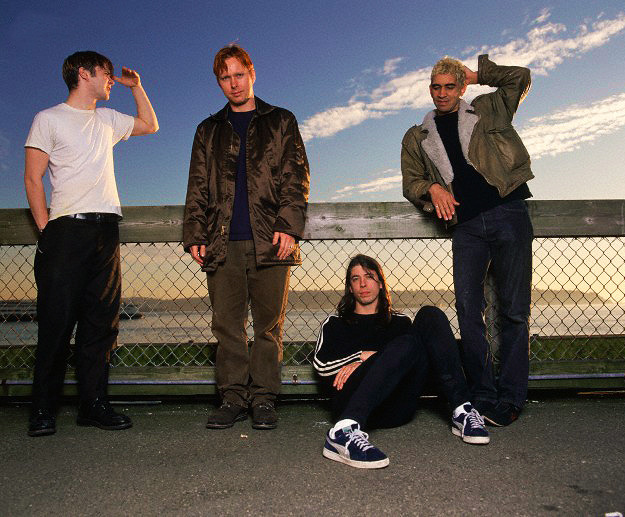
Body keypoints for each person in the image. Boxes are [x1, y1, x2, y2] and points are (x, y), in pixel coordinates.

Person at [24, 51, 159, 437]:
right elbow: (33, 178)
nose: (112, 80)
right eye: (107, 74)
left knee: (101, 324)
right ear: (84, 74)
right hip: (65, 231)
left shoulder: (108, 119)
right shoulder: (48, 119)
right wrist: (46, 230)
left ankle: (93, 405)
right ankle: (43, 409)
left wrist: (137, 87)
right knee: (56, 323)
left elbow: (150, 124)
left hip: (106, 230)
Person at [401, 54, 534, 426]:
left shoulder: (488, 108)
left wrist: (476, 75)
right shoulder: (416, 136)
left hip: (508, 212)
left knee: (514, 311)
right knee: (468, 309)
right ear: (430, 89)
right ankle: (483, 394)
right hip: (466, 226)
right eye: (436, 87)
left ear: (460, 88)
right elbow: (410, 181)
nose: (442, 93)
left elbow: (520, 77)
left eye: (450, 86)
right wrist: (431, 188)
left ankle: (511, 398)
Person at [183, 45, 310, 430]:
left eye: (239, 75)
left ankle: (264, 399)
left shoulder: (281, 120)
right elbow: (197, 185)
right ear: (218, 82)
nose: (233, 84)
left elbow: (296, 176)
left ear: (252, 74)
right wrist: (195, 233)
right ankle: (233, 398)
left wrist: (288, 226)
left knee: (269, 326)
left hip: (271, 239)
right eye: (225, 78)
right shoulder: (208, 129)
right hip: (221, 241)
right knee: (227, 326)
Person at [313, 254, 489, 469]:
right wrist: (359, 356)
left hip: (397, 408)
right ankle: (343, 432)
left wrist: (374, 358)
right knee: (406, 343)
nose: (362, 284)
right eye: (355, 279)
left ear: (380, 283)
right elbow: (321, 367)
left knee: (430, 315)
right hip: (350, 405)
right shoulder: (334, 324)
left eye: (369, 276)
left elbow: (414, 362)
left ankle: (462, 409)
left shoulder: (400, 323)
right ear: (350, 287)